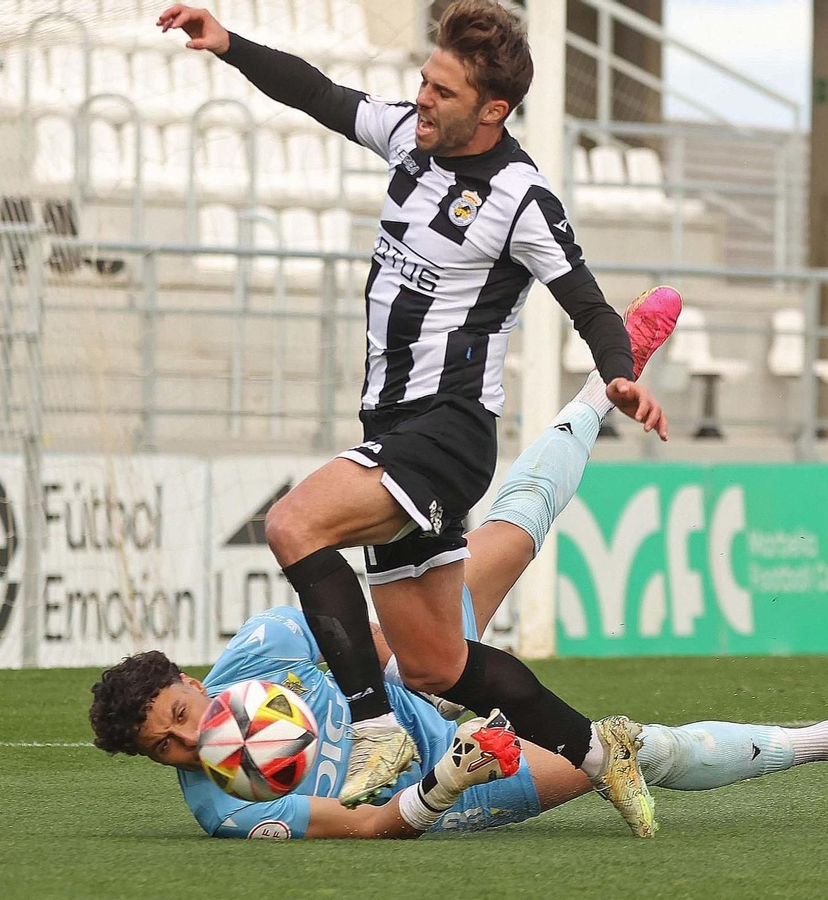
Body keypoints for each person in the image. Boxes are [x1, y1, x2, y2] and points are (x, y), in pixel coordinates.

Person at [157, 0, 677, 835]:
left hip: (448, 429)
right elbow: (318, 93)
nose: (421, 97)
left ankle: (374, 730)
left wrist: (619, 375)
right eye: (424, 80)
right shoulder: (410, 136)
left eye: (442, 89)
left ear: (493, 109)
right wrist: (227, 45)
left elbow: (589, 303)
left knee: (294, 524)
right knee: (438, 662)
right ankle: (594, 751)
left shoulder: (521, 198)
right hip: (394, 426)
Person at [87, 338, 828, 838]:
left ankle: (608, 378)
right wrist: (445, 780)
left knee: (511, 534)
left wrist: (435, 670)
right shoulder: (224, 808)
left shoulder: (259, 653)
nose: (192, 742)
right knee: (633, 753)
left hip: (415, 682)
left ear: (194, 684)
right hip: (455, 785)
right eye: (166, 746)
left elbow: (372, 638)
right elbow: (370, 830)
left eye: (182, 716)